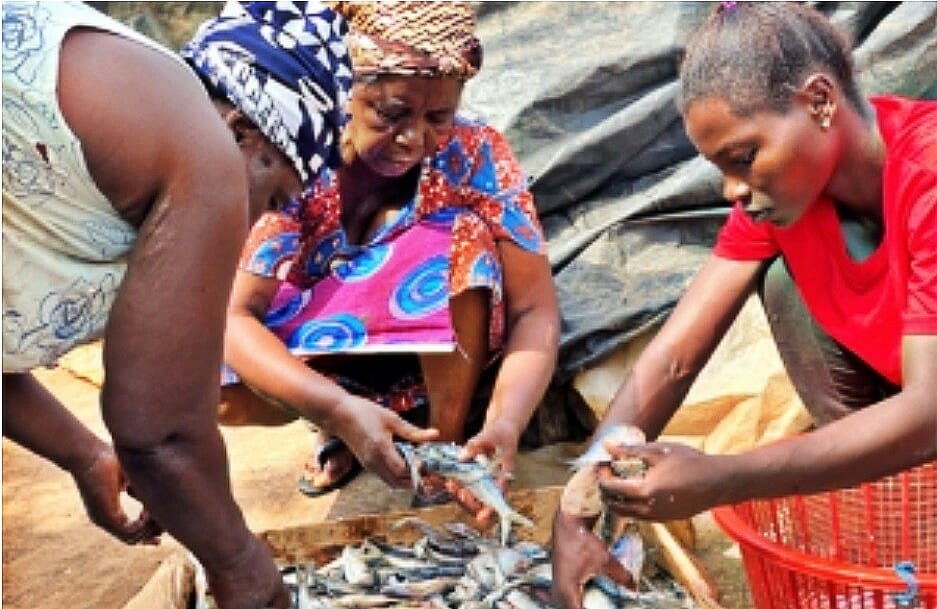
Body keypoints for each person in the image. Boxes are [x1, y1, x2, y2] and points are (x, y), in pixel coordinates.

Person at [550, 3, 937, 607]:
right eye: (719, 169)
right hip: (912, 404)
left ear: (819, 101)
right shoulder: (786, 201)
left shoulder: (926, 171)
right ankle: (892, 504)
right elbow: (675, 357)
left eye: (744, 158)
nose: (733, 189)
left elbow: (930, 410)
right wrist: (578, 506)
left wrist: (723, 478)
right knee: (784, 285)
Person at [2, 2, 350, 608]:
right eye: (272, 198)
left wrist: (83, 455)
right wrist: (242, 568)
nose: (254, 224)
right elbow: (159, 433)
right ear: (242, 133)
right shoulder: (206, 154)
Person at [216, 0, 559, 504]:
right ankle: (349, 423)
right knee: (213, 392)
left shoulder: (473, 152)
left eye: (439, 116)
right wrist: (335, 410)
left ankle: (440, 445)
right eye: (391, 113)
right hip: (321, 345)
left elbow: (535, 309)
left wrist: (506, 421)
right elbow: (235, 318)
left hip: (430, 348)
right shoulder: (302, 154)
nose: (414, 138)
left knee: (461, 239)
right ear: (345, 90)